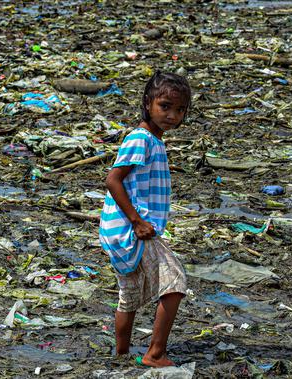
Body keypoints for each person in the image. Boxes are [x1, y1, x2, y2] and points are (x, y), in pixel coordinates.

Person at [99, 71, 191, 367]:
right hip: (133, 229)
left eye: (179, 110)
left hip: (121, 229)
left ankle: (122, 355)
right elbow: (113, 180)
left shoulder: (152, 140)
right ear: (148, 103)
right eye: (165, 106)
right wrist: (137, 221)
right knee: (175, 281)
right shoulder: (141, 139)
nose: (172, 115)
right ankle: (155, 353)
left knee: (129, 295)